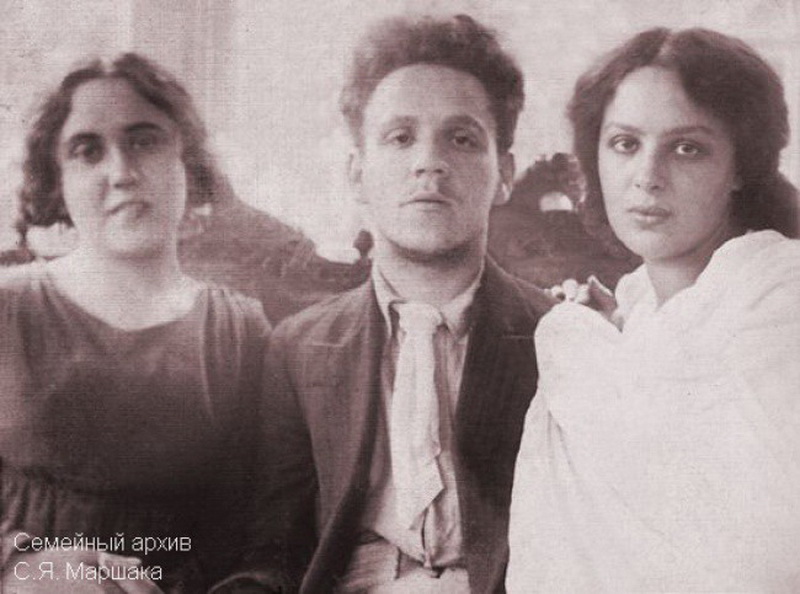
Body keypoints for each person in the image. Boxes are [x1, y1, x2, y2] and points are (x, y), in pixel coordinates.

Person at [214, 13, 554, 594]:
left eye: (462, 138)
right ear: (357, 172)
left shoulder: (555, 335)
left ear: (504, 173)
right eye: (400, 137)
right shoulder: (299, 348)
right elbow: (273, 549)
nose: (429, 162)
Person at [508, 27, 800, 592]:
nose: (647, 177)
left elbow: (758, 545)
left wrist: (575, 344)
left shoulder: (780, 294)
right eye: (625, 144)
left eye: (687, 148)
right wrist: (602, 341)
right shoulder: (630, 315)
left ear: (742, 164)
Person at [1, 53, 270, 593]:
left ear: (187, 163)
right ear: (58, 181)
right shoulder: (9, 309)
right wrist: (23, 569)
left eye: (144, 141)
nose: (121, 173)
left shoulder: (237, 332)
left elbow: (262, 528)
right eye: (87, 151)